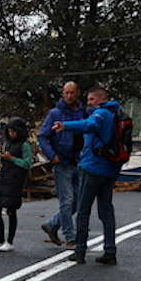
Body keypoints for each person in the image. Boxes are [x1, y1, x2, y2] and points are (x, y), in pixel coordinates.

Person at [54, 85, 126, 266]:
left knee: (83, 210)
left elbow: (89, 125)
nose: (88, 103)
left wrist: (66, 126)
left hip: (93, 168)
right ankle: (110, 250)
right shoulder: (116, 113)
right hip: (110, 169)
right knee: (106, 210)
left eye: (92, 99)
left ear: (102, 99)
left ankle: (80, 251)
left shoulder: (100, 114)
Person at [37, 81, 88, 247]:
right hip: (62, 162)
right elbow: (42, 137)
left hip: (80, 162)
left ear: (78, 93)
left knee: (78, 201)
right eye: (67, 93)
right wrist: (52, 156)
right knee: (66, 201)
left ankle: (52, 225)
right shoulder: (55, 114)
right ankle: (70, 238)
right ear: (63, 94)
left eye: (72, 93)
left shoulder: (84, 113)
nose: (69, 96)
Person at [0, 117, 32, 251]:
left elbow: (27, 163)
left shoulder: (25, 145)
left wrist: (12, 159)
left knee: (11, 210)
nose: (12, 134)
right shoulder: (7, 143)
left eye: (14, 132)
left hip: (15, 179)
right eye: (9, 131)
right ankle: (0, 240)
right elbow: (3, 162)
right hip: (3, 177)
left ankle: (10, 242)